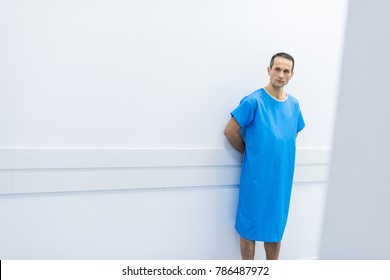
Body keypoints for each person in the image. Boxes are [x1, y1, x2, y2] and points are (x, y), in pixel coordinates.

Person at [224, 52, 305, 260]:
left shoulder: (294, 105)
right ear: (269, 71)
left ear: (291, 75)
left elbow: (292, 134)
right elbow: (230, 131)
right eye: (277, 69)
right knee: (249, 226)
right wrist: (252, 154)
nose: (281, 74)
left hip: (281, 181)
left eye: (286, 71)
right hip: (256, 178)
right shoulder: (254, 101)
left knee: (275, 229)